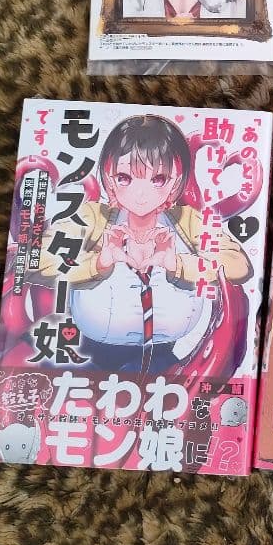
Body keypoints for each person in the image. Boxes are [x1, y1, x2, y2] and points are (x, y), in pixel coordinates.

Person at [35, 114, 251, 375]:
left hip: (165, 358)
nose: (140, 194)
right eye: (125, 177)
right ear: (109, 176)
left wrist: (177, 264)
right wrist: (99, 263)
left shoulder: (188, 221)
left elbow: (238, 264)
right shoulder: (93, 217)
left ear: (177, 179)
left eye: (158, 179)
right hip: (89, 357)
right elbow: (38, 261)